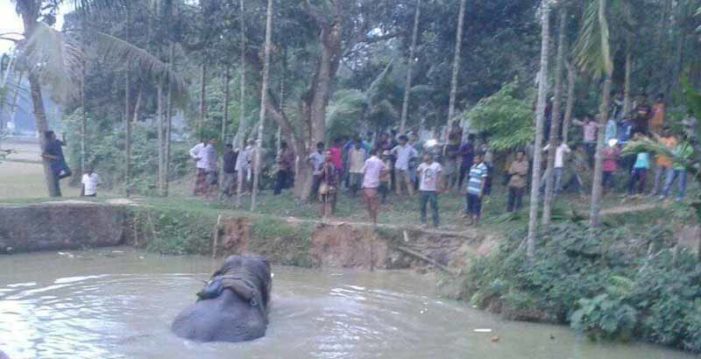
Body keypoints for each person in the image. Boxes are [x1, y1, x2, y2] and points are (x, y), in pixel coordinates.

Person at [661, 135, 692, 201]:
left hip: (682, 168)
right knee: (668, 181)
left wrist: (682, 158)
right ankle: (664, 194)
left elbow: (687, 157)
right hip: (674, 167)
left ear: (684, 140)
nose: (679, 140)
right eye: (679, 138)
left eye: (680, 138)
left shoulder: (689, 148)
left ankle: (680, 197)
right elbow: (673, 154)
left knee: (681, 183)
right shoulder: (677, 147)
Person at [416, 153, 443, 228]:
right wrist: (421, 180)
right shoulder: (422, 165)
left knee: (434, 206)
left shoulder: (436, 165)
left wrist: (439, 186)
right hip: (424, 188)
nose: (426, 161)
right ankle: (423, 222)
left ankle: (436, 223)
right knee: (422, 206)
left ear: (431, 159)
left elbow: (439, 176)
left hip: (433, 189)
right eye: (425, 160)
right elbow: (417, 172)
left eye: (427, 159)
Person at [42, 131, 71, 196]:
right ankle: (57, 194)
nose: (55, 135)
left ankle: (58, 178)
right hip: (55, 163)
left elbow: (64, 144)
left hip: (62, 161)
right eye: (53, 134)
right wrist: (54, 157)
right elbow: (44, 154)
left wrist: (64, 136)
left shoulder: (57, 141)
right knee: (55, 182)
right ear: (50, 136)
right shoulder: (49, 144)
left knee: (69, 172)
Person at [361, 149, 386, 225]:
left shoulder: (368, 161)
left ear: (370, 154)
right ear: (377, 153)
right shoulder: (380, 161)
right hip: (375, 184)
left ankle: (371, 217)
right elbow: (387, 169)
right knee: (374, 202)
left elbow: (362, 171)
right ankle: (374, 219)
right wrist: (380, 175)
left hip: (367, 183)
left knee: (368, 202)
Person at [650, 130, 677, 196]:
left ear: (670, 132)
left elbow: (674, 150)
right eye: (665, 131)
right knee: (657, 177)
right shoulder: (661, 139)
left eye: (668, 131)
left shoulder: (673, 140)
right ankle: (655, 191)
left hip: (669, 162)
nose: (666, 132)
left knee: (669, 178)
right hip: (660, 161)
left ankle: (667, 191)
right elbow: (656, 140)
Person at [465, 153, 488, 225]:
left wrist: (481, 191)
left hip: (477, 190)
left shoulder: (483, 167)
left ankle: (476, 221)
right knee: (469, 206)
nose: (475, 160)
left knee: (477, 206)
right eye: (474, 159)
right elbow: (470, 178)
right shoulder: (472, 167)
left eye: (477, 159)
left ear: (480, 159)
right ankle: (470, 220)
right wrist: (467, 187)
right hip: (470, 189)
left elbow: (483, 180)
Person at [318, 151, 339, 217]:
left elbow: (336, 176)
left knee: (330, 200)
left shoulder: (334, 166)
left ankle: (329, 215)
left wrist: (335, 184)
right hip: (324, 183)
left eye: (329, 154)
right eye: (326, 154)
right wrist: (324, 169)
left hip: (332, 184)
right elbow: (319, 175)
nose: (328, 156)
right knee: (322, 200)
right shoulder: (321, 165)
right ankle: (321, 214)